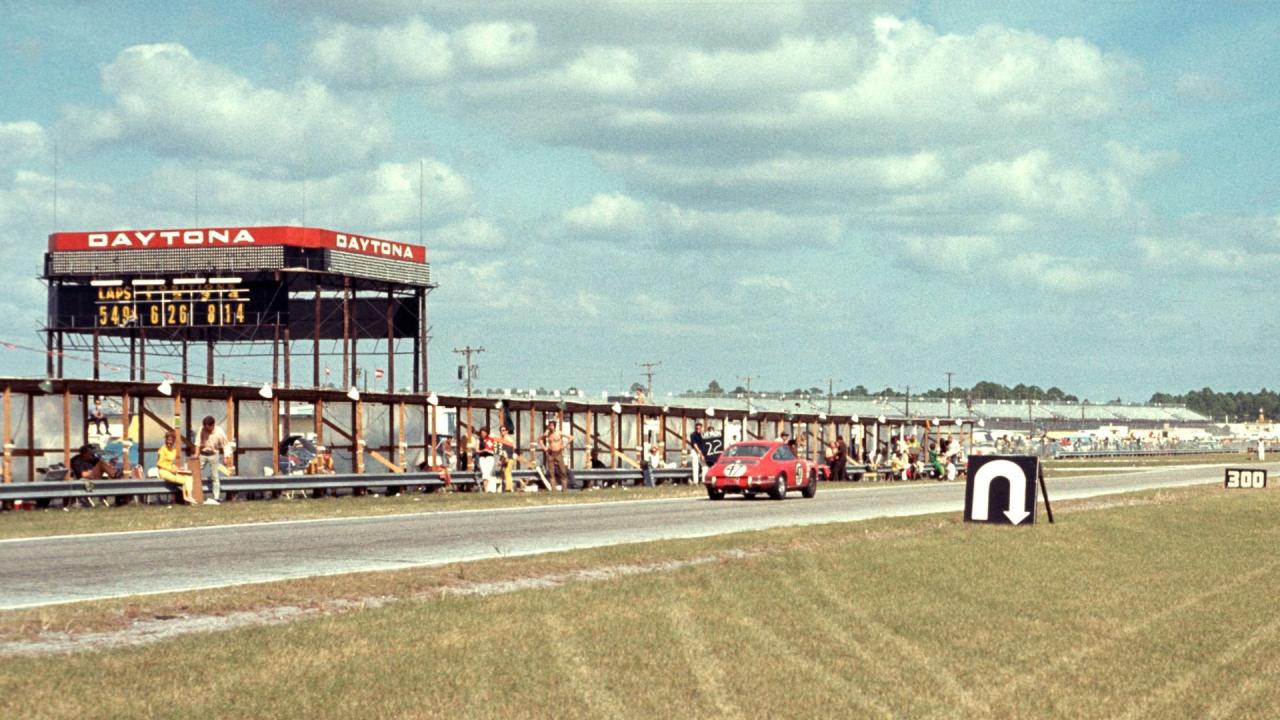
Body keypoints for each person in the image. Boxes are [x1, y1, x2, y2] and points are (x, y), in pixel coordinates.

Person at [196, 415, 231, 504]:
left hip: (214, 454)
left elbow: (226, 444)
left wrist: (226, 457)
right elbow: (197, 442)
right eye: (205, 427)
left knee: (215, 476)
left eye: (208, 428)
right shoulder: (201, 429)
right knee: (195, 474)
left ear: (212, 425)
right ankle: (196, 496)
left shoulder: (219, 432)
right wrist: (196, 454)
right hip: (203, 454)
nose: (206, 430)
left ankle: (216, 497)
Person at [157, 430, 196, 505]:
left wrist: (176, 468)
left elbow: (170, 463)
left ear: (173, 441)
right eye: (168, 441)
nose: (169, 443)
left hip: (171, 470)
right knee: (184, 481)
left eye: (171, 441)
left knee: (189, 477)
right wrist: (170, 469)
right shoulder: (162, 449)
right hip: (163, 471)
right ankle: (187, 497)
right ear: (165, 440)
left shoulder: (174, 450)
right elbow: (159, 463)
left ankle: (188, 497)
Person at [539, 419, 573, 490]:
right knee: (551, 473)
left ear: (554, 426)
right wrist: (544, 448)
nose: (550, 427)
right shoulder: (547, 433)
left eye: (552, 425)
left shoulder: (559, 433)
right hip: (550, 454)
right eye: (549, 425)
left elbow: (571, 437)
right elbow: (540, 439)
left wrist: (564, 445)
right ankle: (553, 490)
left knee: (563, 471)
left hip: (558, 453)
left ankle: (564, 489)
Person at [476, 427, 499, 493]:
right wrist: (483, 450)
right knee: (484, 472)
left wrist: (491, 450)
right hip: (482, 457)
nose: (483, 434)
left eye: (484, 433)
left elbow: (497, 449)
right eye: (482, 433)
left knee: (488, 472)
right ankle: (486, 489)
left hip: (490, 457)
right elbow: (477, 450)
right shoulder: (479, 440)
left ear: (487, 433)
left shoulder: (491, 439)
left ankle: (487, 488)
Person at [496, 426, 516, 493]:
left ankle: (508, 489)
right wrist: (500, 460)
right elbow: (501, 451)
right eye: (501, 430)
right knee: (505, 473)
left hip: (508, 458)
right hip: (504, 458)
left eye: (504, 430)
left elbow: (513, 448)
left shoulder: (508, 438)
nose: (503, 432)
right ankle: (506, 488)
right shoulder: (502, 439)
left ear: (507, 431)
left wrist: (507, 457)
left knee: (507, 473)